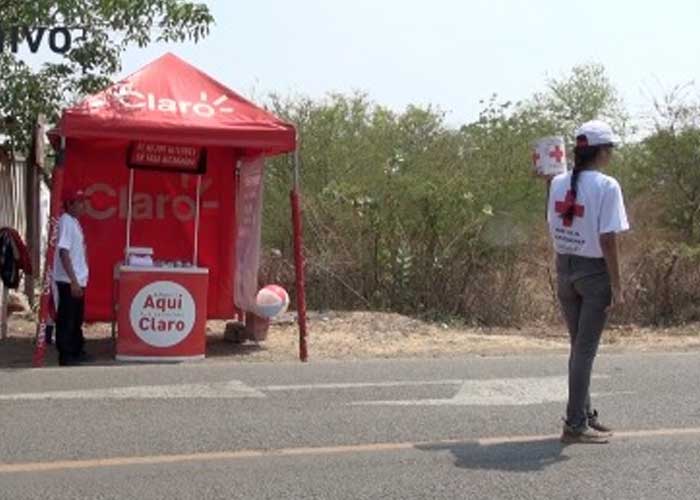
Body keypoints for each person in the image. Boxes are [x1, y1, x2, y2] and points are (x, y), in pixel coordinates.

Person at [546, 120, 629, 444]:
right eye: (611, 149)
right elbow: (608, 239)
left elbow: (553, 223)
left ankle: (584, 412)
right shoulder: (607, 186)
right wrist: (617, 285)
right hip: (594, 273)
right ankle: (575, 423)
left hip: (564, 270)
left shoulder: (557, 182)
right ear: (602, 151)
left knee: (578, 348)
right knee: (584, 351)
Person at [53, 188, 93, 366]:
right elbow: (63, 252)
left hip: (77, 279)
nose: (84, 206)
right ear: (69, 204)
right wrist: (74, 281)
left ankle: (77, 350)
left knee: (76, 318)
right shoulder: (66, 222)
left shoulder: (74, 222)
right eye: (80, 202)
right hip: (69, 280)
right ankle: (66, 354)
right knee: (67, 318)